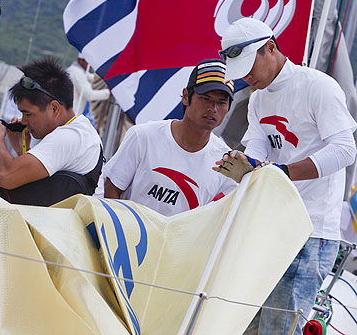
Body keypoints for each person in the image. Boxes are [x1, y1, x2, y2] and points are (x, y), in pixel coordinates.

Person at [215, 17, 357, 334]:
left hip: (311, 232)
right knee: (244, 328)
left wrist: (282, 172)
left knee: (279, 331)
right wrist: (244, 163)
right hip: (270, 229)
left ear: (271, 47)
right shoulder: (258, 99)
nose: (247, 76)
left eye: (250, 66)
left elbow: (346, 150)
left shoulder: (318, 86)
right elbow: (259, 143)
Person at [102, 59, 237, 216]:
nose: (213, 109)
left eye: (221, 102)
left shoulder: (226, 163)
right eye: (206, 98)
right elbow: (110, 190)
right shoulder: (143, 137)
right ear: (186, 96)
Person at [0, 57, 103, 206]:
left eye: (28, 114)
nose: (23, 121)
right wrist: (21, 151)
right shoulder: (82, 130)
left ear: (54, 108)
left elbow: (7, 176)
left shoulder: (68, 137)